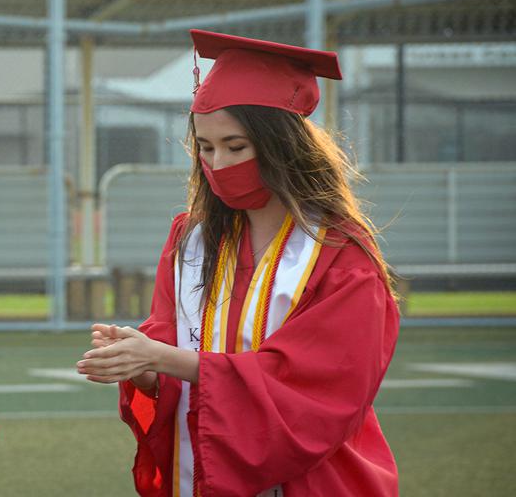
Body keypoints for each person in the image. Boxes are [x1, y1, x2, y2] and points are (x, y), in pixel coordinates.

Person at [78, 31, 400, 496]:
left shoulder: (339, 253)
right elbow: (168, 338)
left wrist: (165, 358)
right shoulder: (191, 240)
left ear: (281, 146)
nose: (218, 163)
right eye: (206, 148)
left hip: (316, 479)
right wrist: (141, 364)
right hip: (200, 474)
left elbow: (319, 388)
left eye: (235, 146)